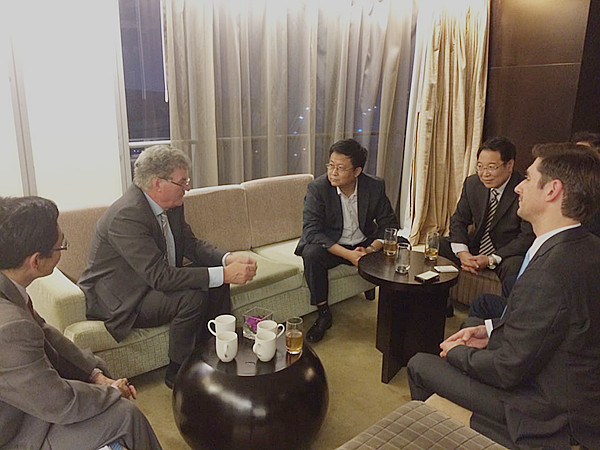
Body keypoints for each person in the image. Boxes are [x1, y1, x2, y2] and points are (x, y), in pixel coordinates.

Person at [407, 143, 600, 448]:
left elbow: (508, 369)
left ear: (552, 190)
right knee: (471, 326)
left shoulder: (548, 272)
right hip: (568, 383)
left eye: (529, 178)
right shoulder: (585, 245)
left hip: (546, 408)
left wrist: (456, 353)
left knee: (420, 364)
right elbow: (549, 324)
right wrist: (489, 330)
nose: (519, 187)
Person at [79, 145, 257, 388]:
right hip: (124, 297)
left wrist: (227, 259)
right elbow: (160, 277)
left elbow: (191, 244)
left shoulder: (171, 204)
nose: (187, 188)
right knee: (192, 296)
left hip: (150, 280)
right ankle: (179, 371)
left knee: (216, 278)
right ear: (158, 183)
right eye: (182, 182)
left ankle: (213, 351)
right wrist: (224, 274)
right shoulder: (127, 215)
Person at [0, 196, 162, 449]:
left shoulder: (10, 289)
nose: (63, 248)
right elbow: (59, 403)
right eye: (61, 247)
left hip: (31, 403)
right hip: (17, 430)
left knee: (106, 389)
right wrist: (112, 392)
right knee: (125, 415)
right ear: (36, 261)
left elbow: (45, 332)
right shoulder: (10, 327)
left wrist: (94, 374)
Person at [295, 138, 401, 343]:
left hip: (364, 243)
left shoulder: (374, 186)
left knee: (403, 245)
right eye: (330, 165)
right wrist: (350, 255)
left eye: (340, 168)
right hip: (335, 246)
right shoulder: (318, 188)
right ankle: (323, 312)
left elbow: (389, 224)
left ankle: (395, 308)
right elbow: (312, 232)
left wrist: (370, 250)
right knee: (311, 253)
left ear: (357, 171)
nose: (333, 172)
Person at [439, 137, 534, 282]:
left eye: (491, 167)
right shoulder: (472, 184)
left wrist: (491, 259)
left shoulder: (524, 189)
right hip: (475, 247)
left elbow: (527, 236)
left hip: (504, 253)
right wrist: (463, 253)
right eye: (480, 166)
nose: (485, 174)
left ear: (509, 165)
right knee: (439, 244)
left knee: (515, 265)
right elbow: (458, 220)